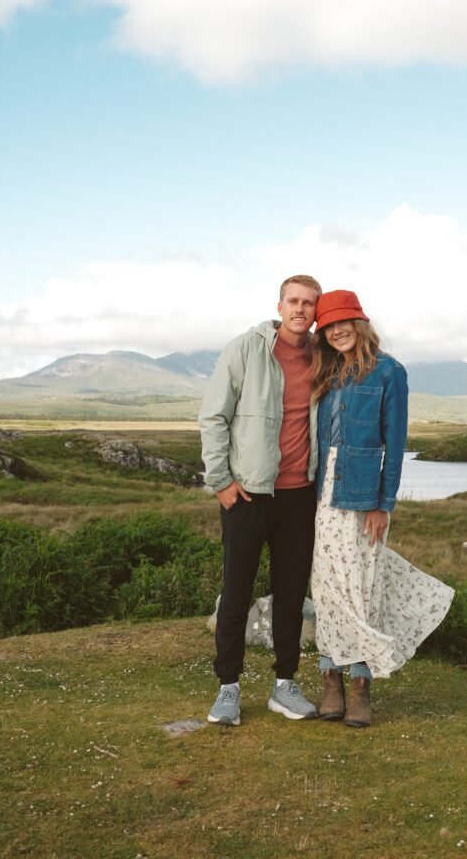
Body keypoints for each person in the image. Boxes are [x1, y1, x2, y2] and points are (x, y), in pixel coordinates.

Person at [309, 290, 454, 727]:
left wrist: (382, 505)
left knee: (363, 585)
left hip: (363, 495)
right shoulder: (327, 372)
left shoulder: (389, 372)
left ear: (360, 323)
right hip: (322, 495)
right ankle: (329, 680)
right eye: (329, 326)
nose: (337, 331)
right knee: (328, 587)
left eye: (343, 322)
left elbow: (395, 443)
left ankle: (359, 686)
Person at [199, 275, 322, 726]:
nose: (300, 309)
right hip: (248, 496)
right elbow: (213, 416)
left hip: (299, 497)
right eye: (294, 301)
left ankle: (284, 685)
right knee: (236, 594)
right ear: (280, 304)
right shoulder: (247, 348)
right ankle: (228, 688)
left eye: (309, 303)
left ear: (316, 310)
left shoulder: (321, 355)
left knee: (291, 595)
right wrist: (221, 482)